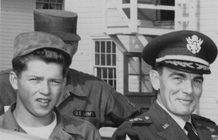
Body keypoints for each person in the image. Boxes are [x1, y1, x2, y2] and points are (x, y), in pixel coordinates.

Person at [0, 10, 139, 129]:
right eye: (51, 43)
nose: (60, 49)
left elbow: (139, 123)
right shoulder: (3, 85)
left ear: (76, 46)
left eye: (67, 43)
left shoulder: (95, 90)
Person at [0, 32, 102, 140]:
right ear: (15, 81)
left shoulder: (86, 135)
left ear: (64, 84)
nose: (46, 91)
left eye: (54, 81)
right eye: (35, 80)